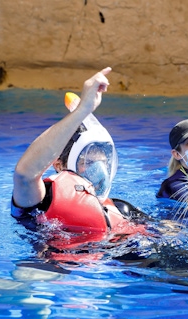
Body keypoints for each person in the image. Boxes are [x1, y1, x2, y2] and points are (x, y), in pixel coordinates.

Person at [11, 67, 147, 251]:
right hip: (64, 269)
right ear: (59, 164)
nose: (99, 170)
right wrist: (83, 110)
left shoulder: (122, 209)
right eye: (88, 162)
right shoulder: (43, 202)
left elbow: (169, 232)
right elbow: (25, 175)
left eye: (103, 162)